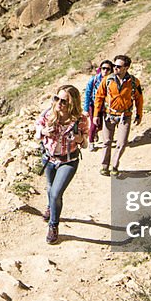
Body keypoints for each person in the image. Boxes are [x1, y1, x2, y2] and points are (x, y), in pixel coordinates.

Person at [35, 85, 87, 244]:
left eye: (64, 101)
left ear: (72, 103)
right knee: (50, 187)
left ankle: (53, 225)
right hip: (49, 158)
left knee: (56, 193)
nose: (59, 103)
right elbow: (37, 130)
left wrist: (80, 140)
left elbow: (85, 143)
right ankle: (51, 207)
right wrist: (44, 132)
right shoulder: (48, 114)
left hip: (68, 160)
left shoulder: (81, 119)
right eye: (56, 98)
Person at [94, 54, 144, 177]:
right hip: (109, 115)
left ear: (126, 68)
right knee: (107, 142)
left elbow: (139, 99)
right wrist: (96, 114)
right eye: (114, 65)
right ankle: (105, 166)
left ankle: (114, 165)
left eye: (118, 66)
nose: (115, 68)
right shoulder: (107, 80)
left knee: (121, 143)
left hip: (125, 116)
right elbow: (99, 97)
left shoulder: (133, 82)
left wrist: (139, 114)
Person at [84, 60, 113, 151]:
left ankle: (95, 132)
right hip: (93, 105)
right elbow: (87, 94)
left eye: (108, 69)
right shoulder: (94, 80)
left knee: (100, 125)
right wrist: (86, 109)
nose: (105, 71)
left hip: (105, 106)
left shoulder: (112, 80)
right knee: (93, 124)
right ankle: (91, 142)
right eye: (103, 68)